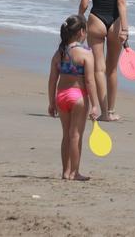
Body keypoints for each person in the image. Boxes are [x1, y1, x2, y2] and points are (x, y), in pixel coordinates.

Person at [78, 0, 127, 122]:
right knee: (112, 70)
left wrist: (79, 19)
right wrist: (125, 28)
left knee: (99, 68)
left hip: (95, 20)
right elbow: (121, 3)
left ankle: (100, 110)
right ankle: (110, 112)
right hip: (115, 23)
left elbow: (84, 2)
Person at [47, 15, 100, 181]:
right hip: (78, 97)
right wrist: (95, 104)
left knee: (66, 135)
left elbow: (52, 80)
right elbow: (90, 81)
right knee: (76, 135)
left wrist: (51, 102)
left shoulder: (59, 53)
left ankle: (65, 171)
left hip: (61, 97)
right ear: (82, 32)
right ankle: (74, 172)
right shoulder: (85, 54)